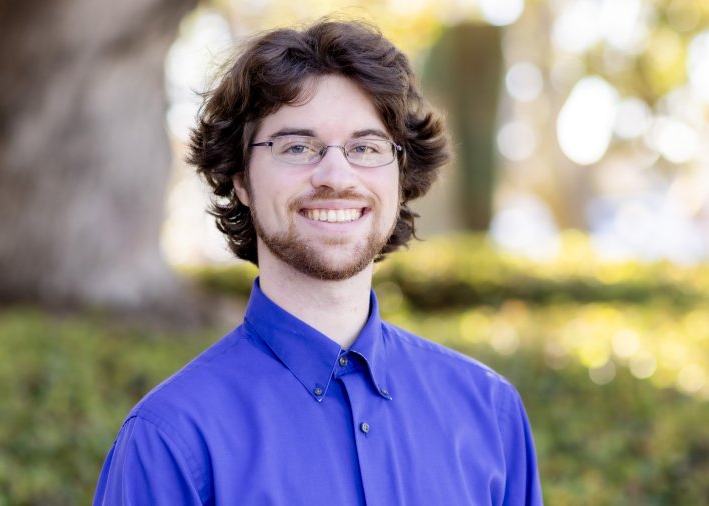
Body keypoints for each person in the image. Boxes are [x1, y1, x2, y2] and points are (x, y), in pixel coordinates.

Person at [93, 18, 542, 506]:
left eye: (366, 147)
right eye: (298, 147)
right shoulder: (171, 440)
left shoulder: (490, 413)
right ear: (241, 178)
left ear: (400, 175)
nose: (335, 175)